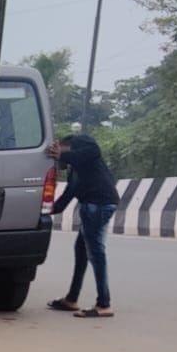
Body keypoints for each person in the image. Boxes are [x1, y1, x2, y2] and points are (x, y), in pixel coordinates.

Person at [47, 131, 119, 318]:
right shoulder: (75, 170)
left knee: (96, 253)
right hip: (93, 205)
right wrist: (47, 210)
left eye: (58, 151)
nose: (57, 160)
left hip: (98, 205)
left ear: (64, 145)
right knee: (81, 250)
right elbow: (68, 194)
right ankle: (71, 298)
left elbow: (94, 150)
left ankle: (104, 304)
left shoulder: (82, 143)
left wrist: (63, 154)